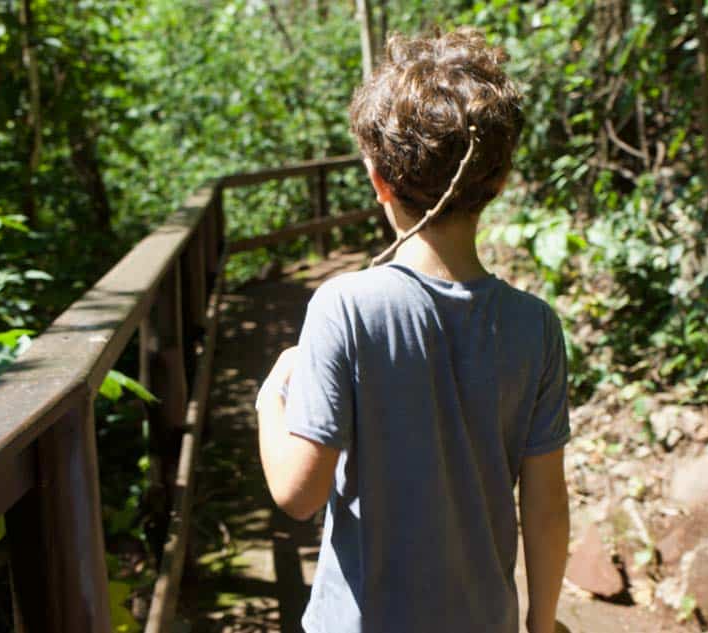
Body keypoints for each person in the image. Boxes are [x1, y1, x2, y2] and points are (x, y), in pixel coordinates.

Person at [256, 27, 570, 633]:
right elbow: (547, 506)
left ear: (379, 181)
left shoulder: (345, 307)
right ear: (499, 183)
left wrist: (270, 399)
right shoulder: (537, 327)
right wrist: (542, 621)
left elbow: (298, 494)